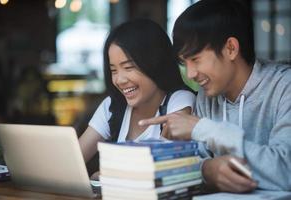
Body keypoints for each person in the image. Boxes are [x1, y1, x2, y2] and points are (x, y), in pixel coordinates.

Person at [139, 0, 291, 193]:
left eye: (195, 59)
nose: (190, 74)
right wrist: (208, 170)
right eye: (185, 63)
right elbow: (196, 161)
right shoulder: (207, 95)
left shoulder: (285, 86)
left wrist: (203, 128)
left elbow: (286, 171)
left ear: (230, 49)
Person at [79, 19, 196, 175]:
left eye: (128, 67)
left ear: (155, 63)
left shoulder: (180, 100)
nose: (119, 80)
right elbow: (74, 160)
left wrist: (110, 173)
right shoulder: (112, 106)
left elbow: (164, 165)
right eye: (113, 70)